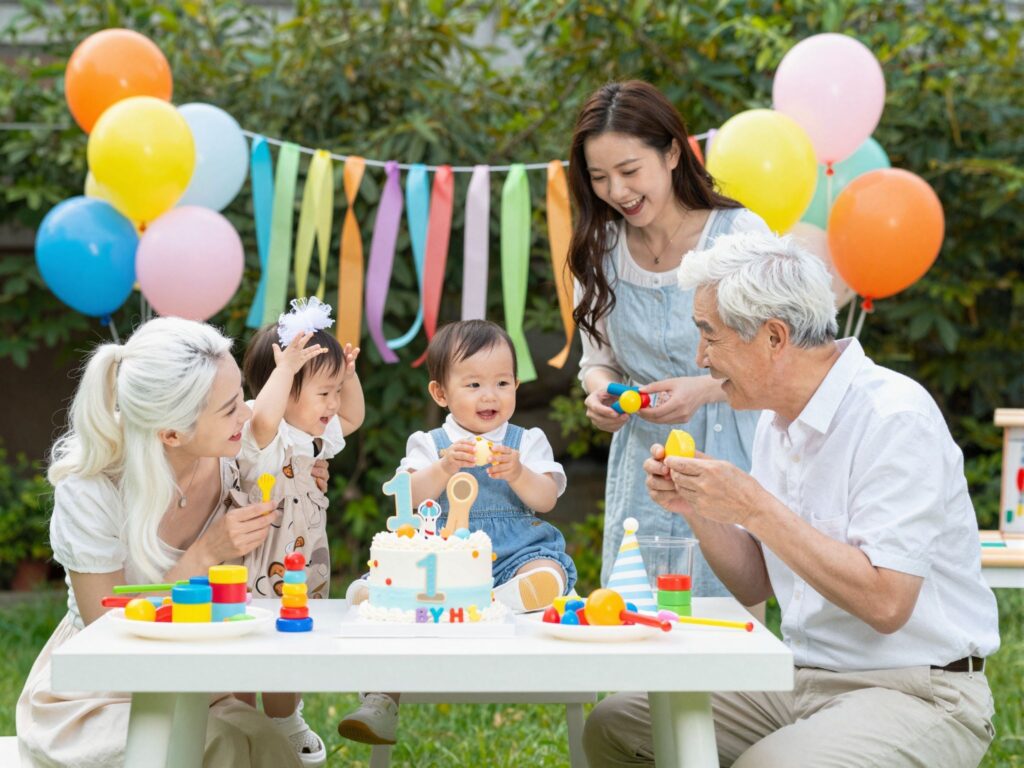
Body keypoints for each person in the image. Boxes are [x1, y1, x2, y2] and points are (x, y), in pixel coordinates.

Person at [583, 231, 1000, 767]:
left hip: (918, 691)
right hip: (797, 679)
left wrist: (754, 505)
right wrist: (700, 510)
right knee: (616, 725)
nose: (699, 357)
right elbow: (757, 579)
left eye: (710, 335)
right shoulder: (774, 422)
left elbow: (887, 603)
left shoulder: (894, 418)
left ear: (774, 337)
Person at [17, 317, 330, 767]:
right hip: (98, 695)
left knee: (269, 747)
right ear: (171, 434)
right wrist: (206, 554)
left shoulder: (228, 453)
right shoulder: (92, 488)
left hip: (196, 680)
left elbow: (295, 449)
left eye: (241, 396)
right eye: (229, 408)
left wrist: (307, 472)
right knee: (216, 747)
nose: (247, 412)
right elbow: (108, 634)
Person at [568, 79, 770, 592]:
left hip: (733, 452)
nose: (617, 192)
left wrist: (702, 391)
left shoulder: (739, 237)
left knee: (727, 615)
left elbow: (785, 360)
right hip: (645, 464)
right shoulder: (598, 250)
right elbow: (598, 361)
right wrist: (599, 392)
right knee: (636, 616)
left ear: (673, 153)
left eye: (630, 171)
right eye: (599, 177)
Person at [338, 319, 577, 745]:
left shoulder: (527, 440)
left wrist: (520, 473)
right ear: (441, 393)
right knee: (396, 589)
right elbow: (407, 496)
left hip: (514, 554)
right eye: (474, 385)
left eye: (503, 382)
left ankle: (513, 594)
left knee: (547, 570)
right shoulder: (430, 443)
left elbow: (546, 500)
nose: (490, 395)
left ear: (517, 387)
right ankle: (380, 700)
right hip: (441, 561)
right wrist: (445, 466)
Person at [236, 297, 364, 766]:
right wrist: (286, 367)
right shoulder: (263, 434)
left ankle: (285, 718)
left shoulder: (315, 436)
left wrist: (347, 379)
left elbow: (353, 418)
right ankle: (239, 720)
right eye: (323, 392)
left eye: (335, 391)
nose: (333, 404)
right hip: (254, 568)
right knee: (246, 646)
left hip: (300, 563)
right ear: (284, 386)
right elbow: (265, 418)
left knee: (293, 641)